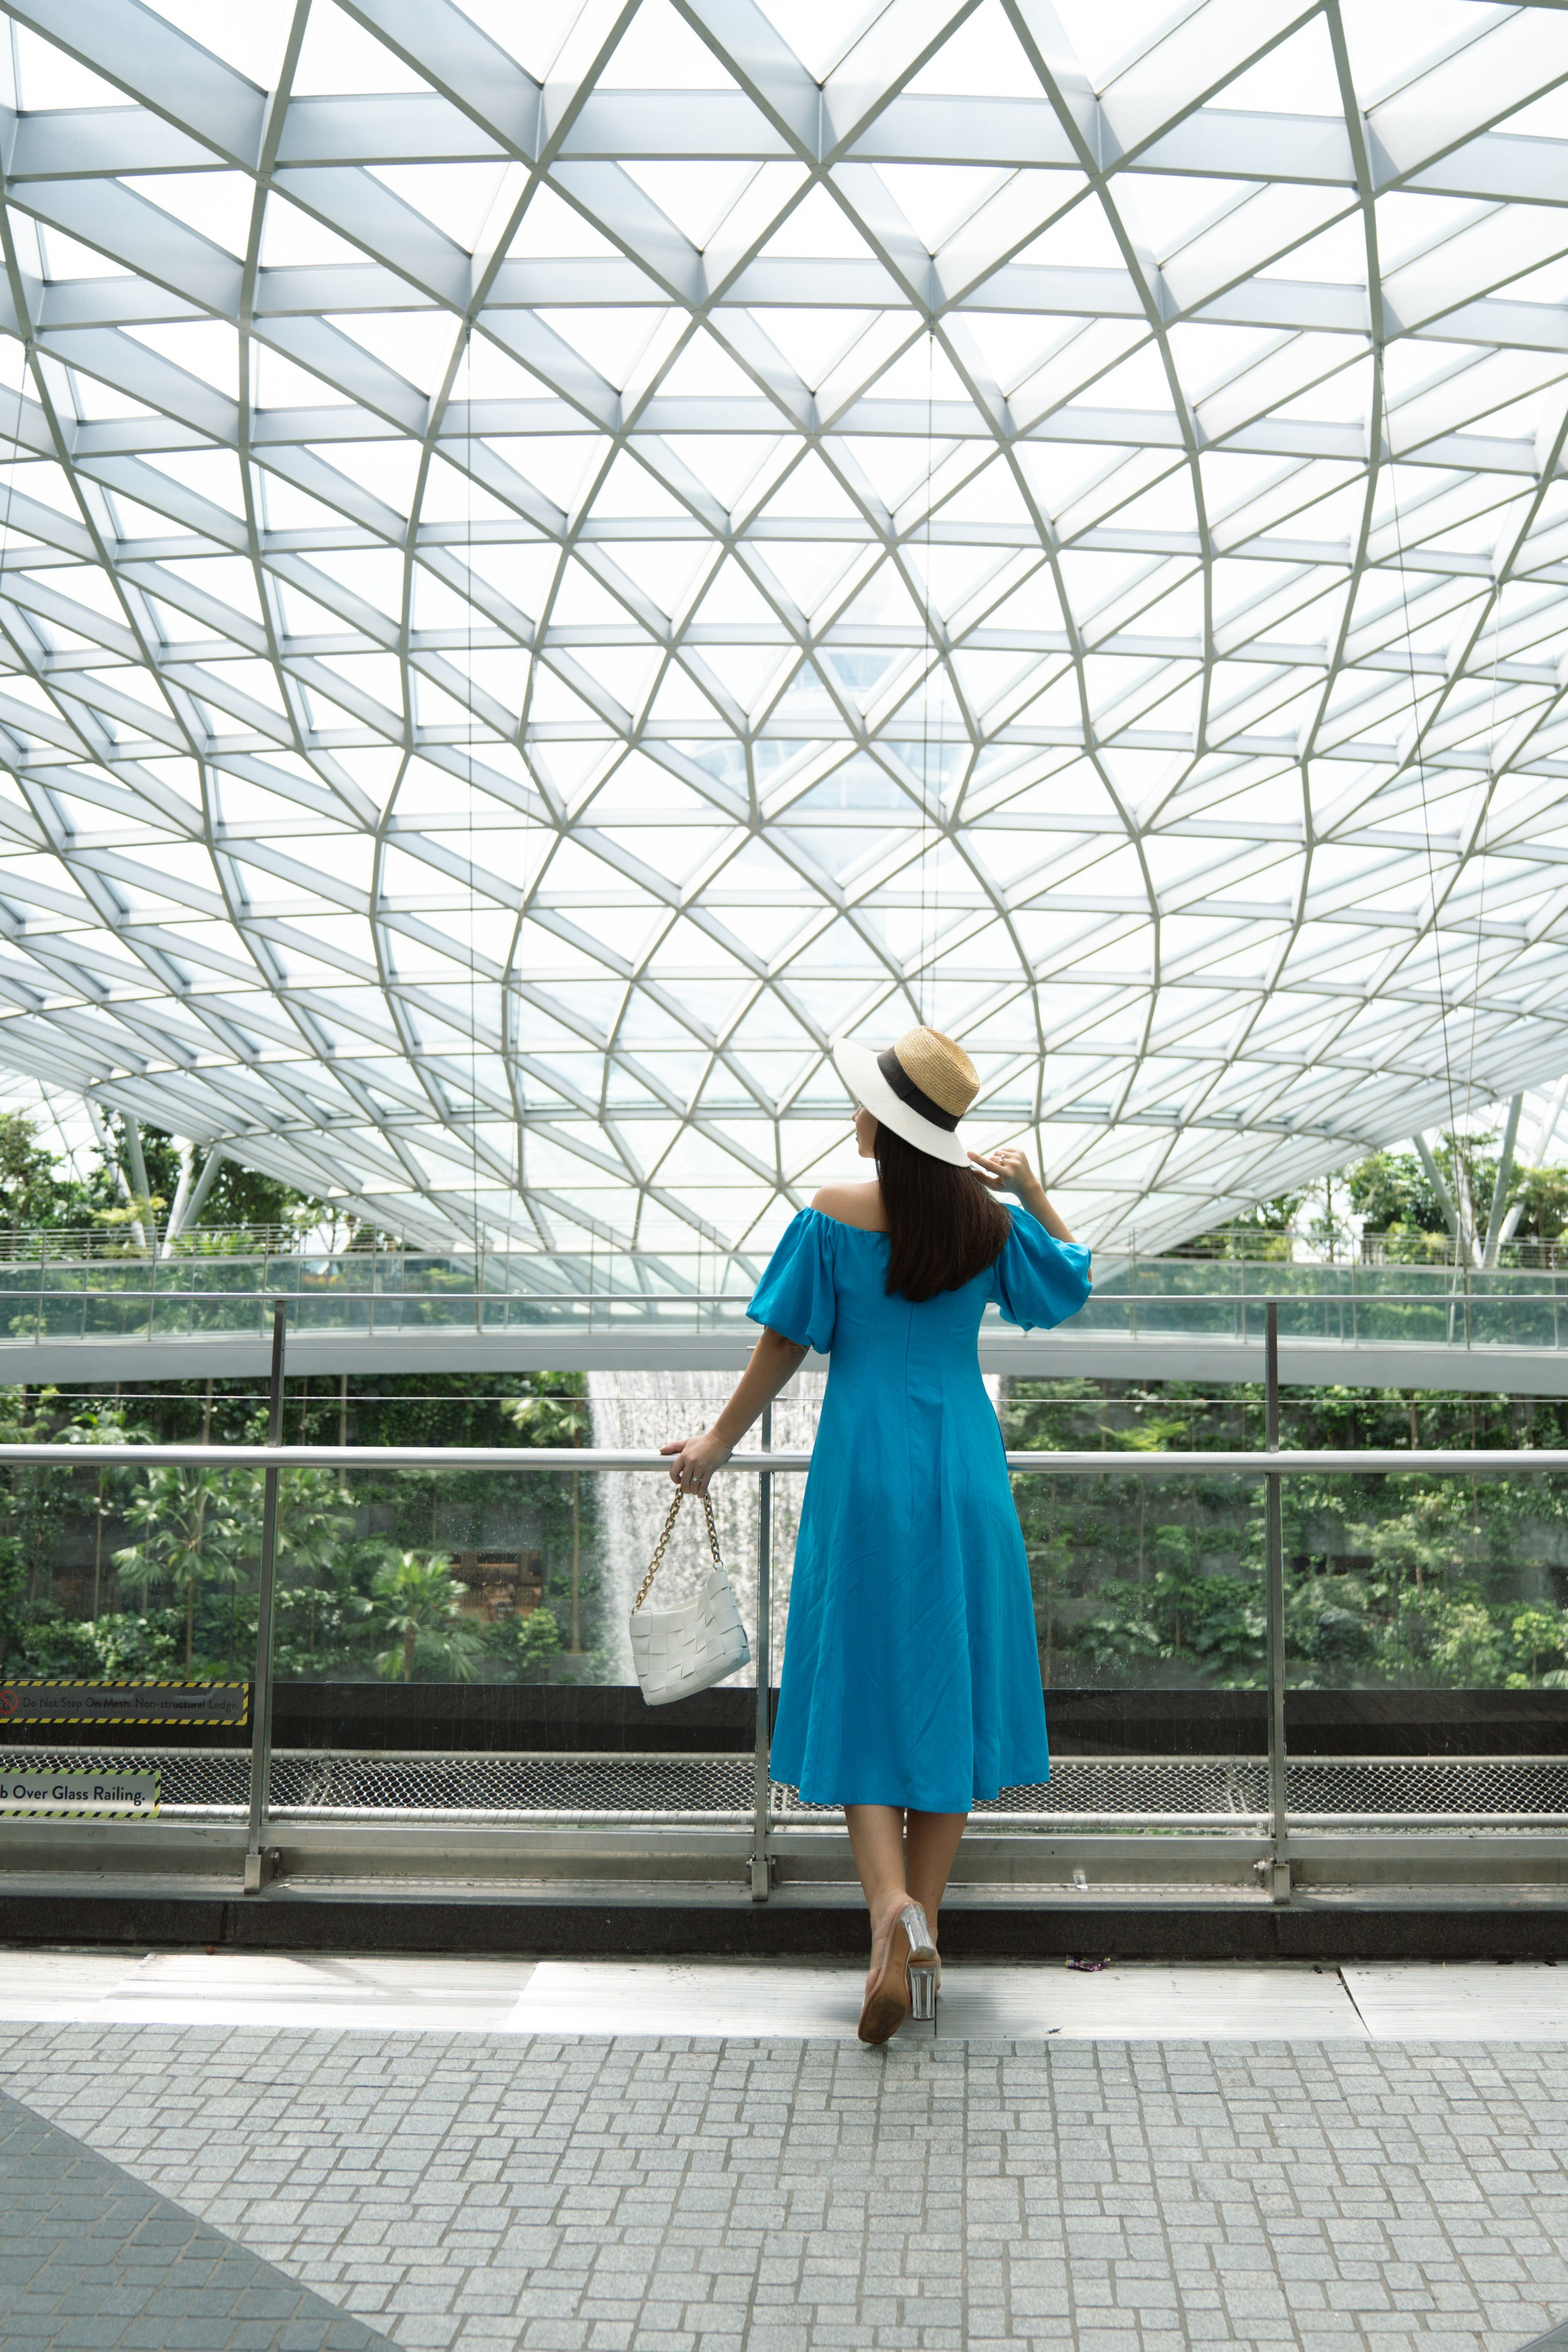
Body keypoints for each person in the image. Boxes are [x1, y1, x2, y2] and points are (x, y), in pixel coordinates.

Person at [662, 1026, 1091, 2043]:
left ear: (887, 1125)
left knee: (859, 1683)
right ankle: (924, 1928)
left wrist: (719, 1442)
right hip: (965, 1481)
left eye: (862, 1103)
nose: (852, 1115)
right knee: (954, 1683)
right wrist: (1031, 1187)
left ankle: (887, 1918)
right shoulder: (984, 1225)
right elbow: (1069, 1283)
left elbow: (784, 1339)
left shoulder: (830, 1215)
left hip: (863, 1476)